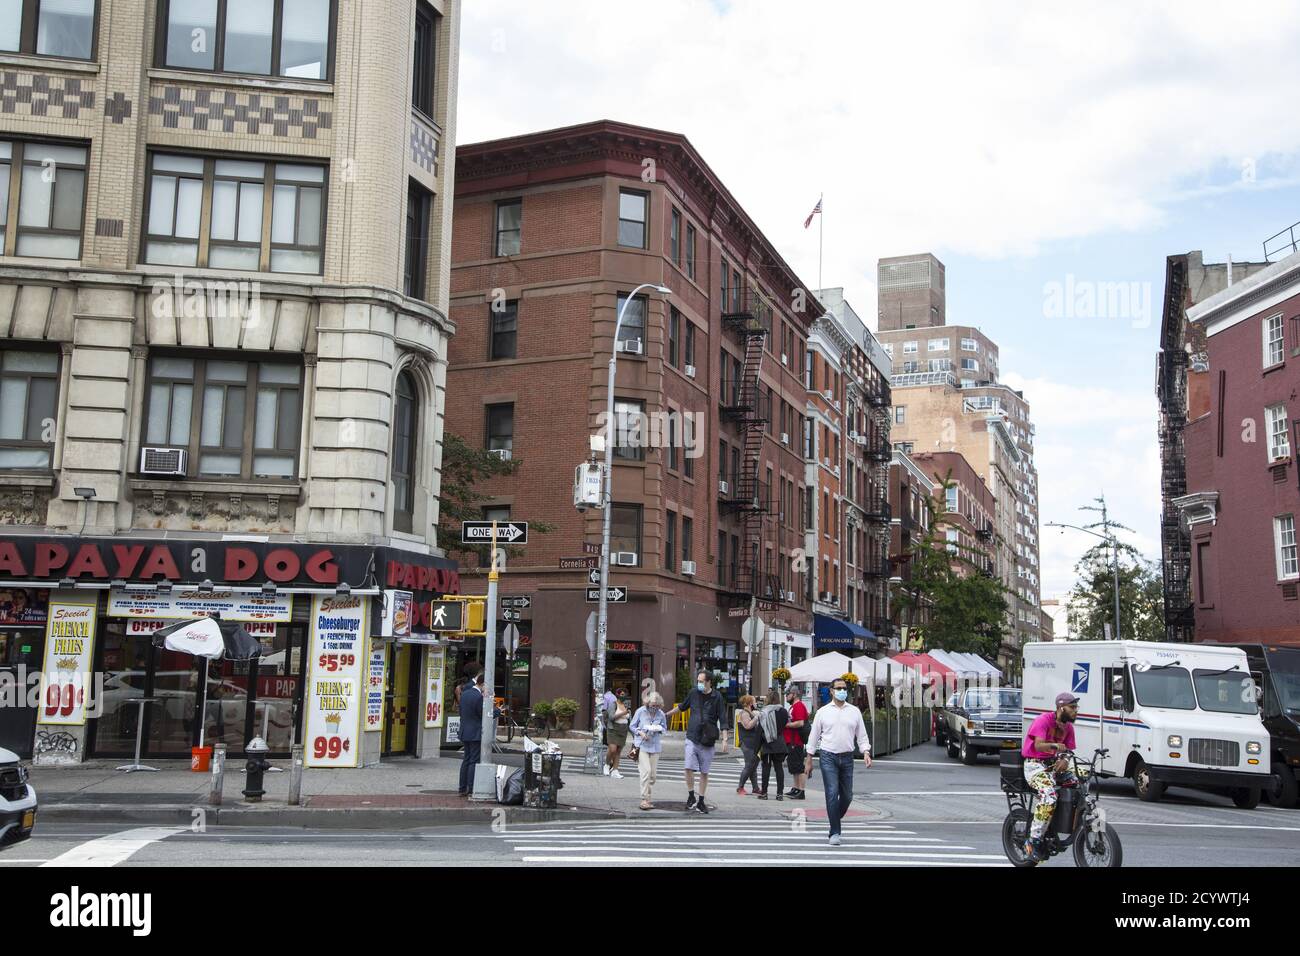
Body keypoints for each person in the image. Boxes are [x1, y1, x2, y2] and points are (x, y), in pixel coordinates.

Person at [806, 677, 872, 846]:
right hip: (828, 756)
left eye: (845, 688)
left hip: (848, 757)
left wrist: (866, 751)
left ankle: (834, 815)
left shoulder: (854, 711)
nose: (843, 690)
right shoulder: (823, 712)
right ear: (832, 691)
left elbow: (862, 734)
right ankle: (835, 832)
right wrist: (809, 758)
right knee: (831, 792)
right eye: (839, 688)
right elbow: (813, 737)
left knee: (848, 796)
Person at [1021, 692, 1080, 862]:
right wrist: (1055, 746)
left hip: (1053, 766)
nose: (1076, 711)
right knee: (1049, 795)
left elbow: (1069, 751)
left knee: (1080, 782)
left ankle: (1068, 823)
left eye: (1076, 707)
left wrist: (1065, 759)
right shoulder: (1043, 720)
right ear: (1061, 707)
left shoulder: (1068, 727)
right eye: (1073, 707)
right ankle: (1033, 840)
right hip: (1035, 766)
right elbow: (1038, 746)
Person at [665, 671, 728, 813]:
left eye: (701, 681)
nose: (699, 683)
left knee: (704, 772)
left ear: (709, 682)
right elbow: (682, 707)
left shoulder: (717, 696)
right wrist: (666, 715)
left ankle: (701, 801)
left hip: (707, 740)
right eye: (698, 680)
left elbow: (723, 719)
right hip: (692, 736)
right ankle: (691, 795)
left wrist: (724, 739)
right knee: (688, 768)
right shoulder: (693, 693)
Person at [629, 690, 669, 810]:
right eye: (652, 705)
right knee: (645, 772)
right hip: (642, 745)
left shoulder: (661, 714)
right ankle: (644, 799)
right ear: (648, 703)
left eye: (657, 706)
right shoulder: (641, 711)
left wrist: (659, 728)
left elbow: (665, 728)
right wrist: (640, 732)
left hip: (655, 746)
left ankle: (648, 797)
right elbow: (632, 726)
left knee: (652, 776)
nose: (654, 708)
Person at [458, 664, 486, 796]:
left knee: (466, 759)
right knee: (473, 760)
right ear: (482, 684)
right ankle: (470, 788)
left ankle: (462, 788)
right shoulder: (479, 697)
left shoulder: (465, 693)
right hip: (475, 732)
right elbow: (482, 714)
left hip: (464, 730)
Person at [757, 687, 789, 800]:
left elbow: (760, 730)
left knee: (766, 768)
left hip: (767, 742)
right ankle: (780, 793)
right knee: (779, 768)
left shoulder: (764, 712)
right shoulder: (783, 711)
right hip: (779, 742)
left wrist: (757, 747)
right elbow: (785, 724)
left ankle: (764, 793)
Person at [784, 685, 811, 799]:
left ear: (794, 694)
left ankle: (801, 790)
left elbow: (800, 723)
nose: (786, 696)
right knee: (794, 767)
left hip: (796, 741)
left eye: (788, 694)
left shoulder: (799, 706)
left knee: (799, 767)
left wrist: (787, 725)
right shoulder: (794, 707)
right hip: (792, 741)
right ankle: (796, 788)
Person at [735, 694, 763, 795]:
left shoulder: (749, 713)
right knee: (749, 765)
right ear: (750, 703)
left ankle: (755, 788)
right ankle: (740, 787)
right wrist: (756, 718)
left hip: (752, 743)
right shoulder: (744, 714)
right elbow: (747, 726)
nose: (756, 703)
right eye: (754, 701)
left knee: (753, 766)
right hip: (747, 743)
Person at [604, 688, 631, 778]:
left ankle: (615, 771)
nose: (623, 696)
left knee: (618, 752)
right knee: (612, 749)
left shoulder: (626, 705)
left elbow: (629, 720)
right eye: (621, 694)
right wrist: (623, 713)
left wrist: (635, 734)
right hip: (613, 730)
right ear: (617, 694)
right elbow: (611, 717)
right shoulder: (613, 704)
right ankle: (607, 765)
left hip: (623, 731)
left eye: (624, 694)